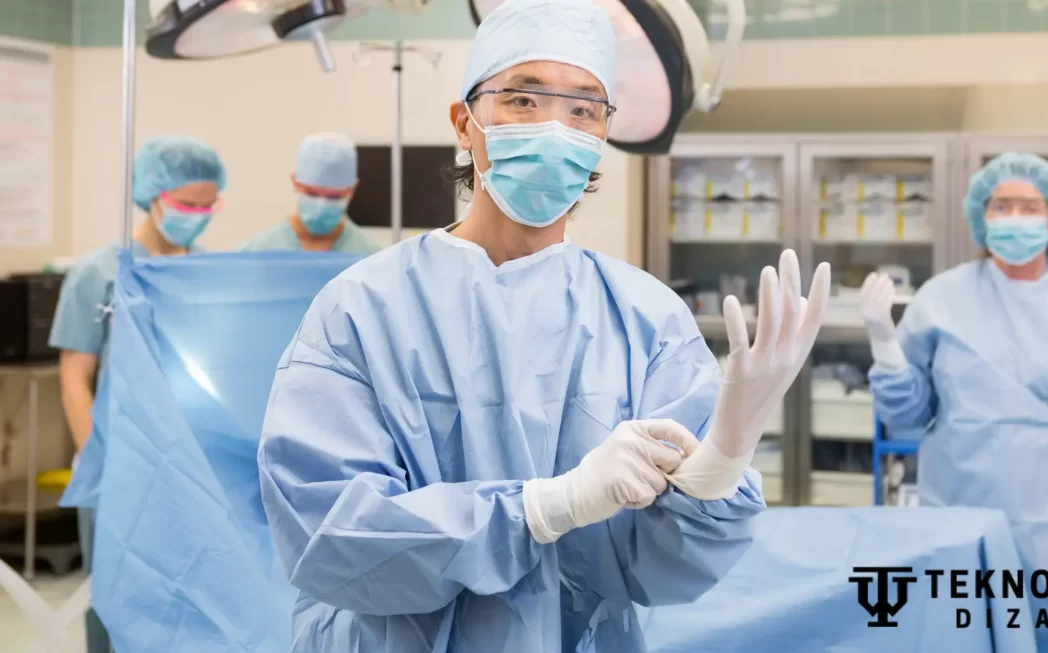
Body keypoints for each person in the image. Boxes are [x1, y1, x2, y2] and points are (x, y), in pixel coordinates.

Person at [256, 1, 831, 651]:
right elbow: (328, 537)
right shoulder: (359, 309)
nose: (556, 127)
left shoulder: (648, 322)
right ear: (464, 123)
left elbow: (663, 571)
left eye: (583, 108)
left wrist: (718, 469)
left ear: (600, 140)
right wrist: (543, 507)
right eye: (524, 100)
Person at [862, 152, 1048, 652]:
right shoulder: (941, 299)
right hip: (960, 500)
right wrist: (884, 344)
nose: (1014, 218)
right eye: (1002, 205)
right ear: (983, 215)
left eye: (1028, 206)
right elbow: (907, 414)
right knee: (961, 632)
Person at [48, 134, 225, 653]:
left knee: (188, 602)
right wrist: (97, 458)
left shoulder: (205, 271)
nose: (197, 214)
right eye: (185, 204)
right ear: (152, 194)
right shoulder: (101, 272)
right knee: (116, 600)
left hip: (189, 466)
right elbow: (75, 377)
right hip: (119, 462)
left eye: (207, 205)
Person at [239, 132, 379, 255]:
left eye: (334, 197)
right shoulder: (256, 253)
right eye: (312, 194)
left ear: (351, 189)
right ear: (295, 182)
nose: (321, 205)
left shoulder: (369, 255)